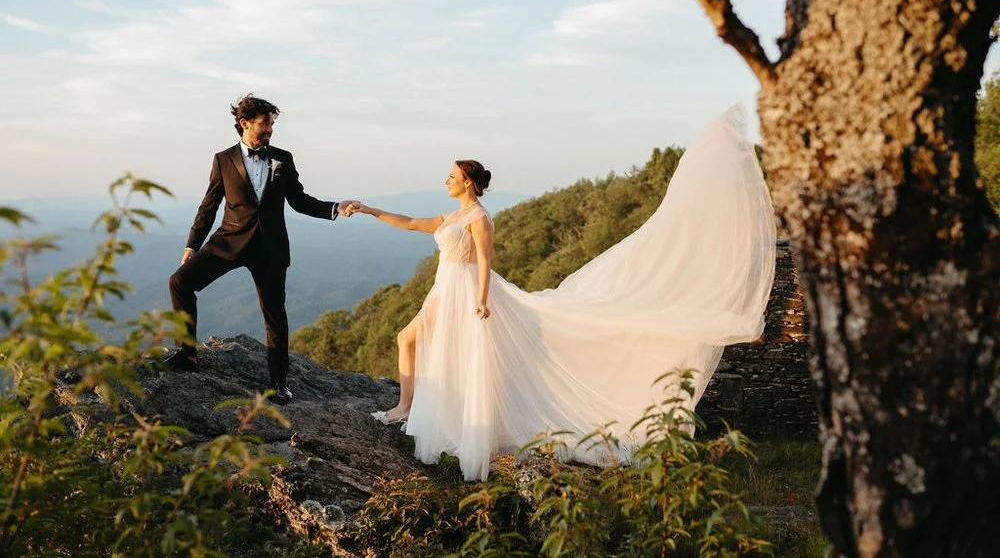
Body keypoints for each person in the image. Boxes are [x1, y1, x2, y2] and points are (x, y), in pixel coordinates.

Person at [361, 104, 776, 481]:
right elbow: (414, 222)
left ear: (466, 181)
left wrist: (483, 300)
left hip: (466, 290)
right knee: (409, 339)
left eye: (451, 176)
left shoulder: (480, 219)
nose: (446, 180)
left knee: (436, 347)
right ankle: (407, 406)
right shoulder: (452, 213)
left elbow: (485, 262)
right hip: (444, 289)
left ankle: (410, 409)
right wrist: (369, 210)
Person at [165, 94, 360, 405]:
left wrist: (336, 207)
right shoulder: (222, 159)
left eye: (272, 123)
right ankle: (187, 354)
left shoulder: (284, 157)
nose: (270, 128)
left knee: (275, 316)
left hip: (269, 247)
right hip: (228, 241)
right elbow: (209, 206)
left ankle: (279, 383)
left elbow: (299, 200)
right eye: (265, 123)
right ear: (245, 124)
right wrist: (192, 244)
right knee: (179, 282)